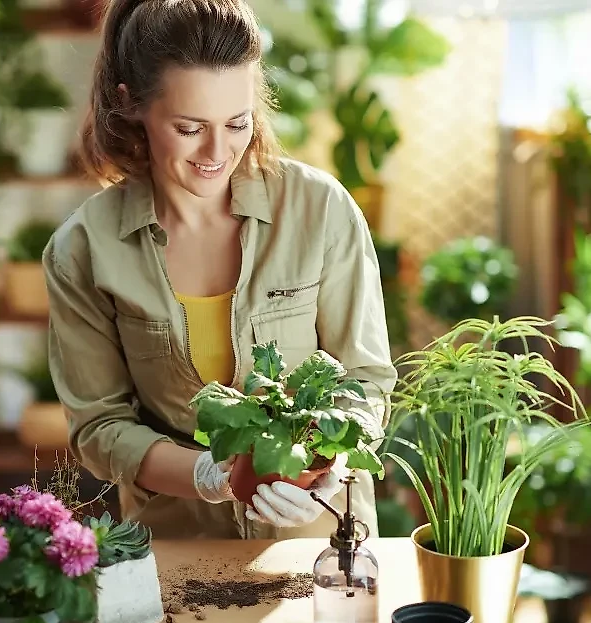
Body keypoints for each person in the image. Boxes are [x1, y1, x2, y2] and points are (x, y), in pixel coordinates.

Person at [42, 0, 397, 541]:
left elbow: (365, 379)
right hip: (180, 548)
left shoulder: (319, 210)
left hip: (322, 545)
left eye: (237, 123)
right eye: (188, 128)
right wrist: (207, 476)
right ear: (131, 105)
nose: (217, 151)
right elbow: (99, 427)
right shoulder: (84, 250)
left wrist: (334, 464)